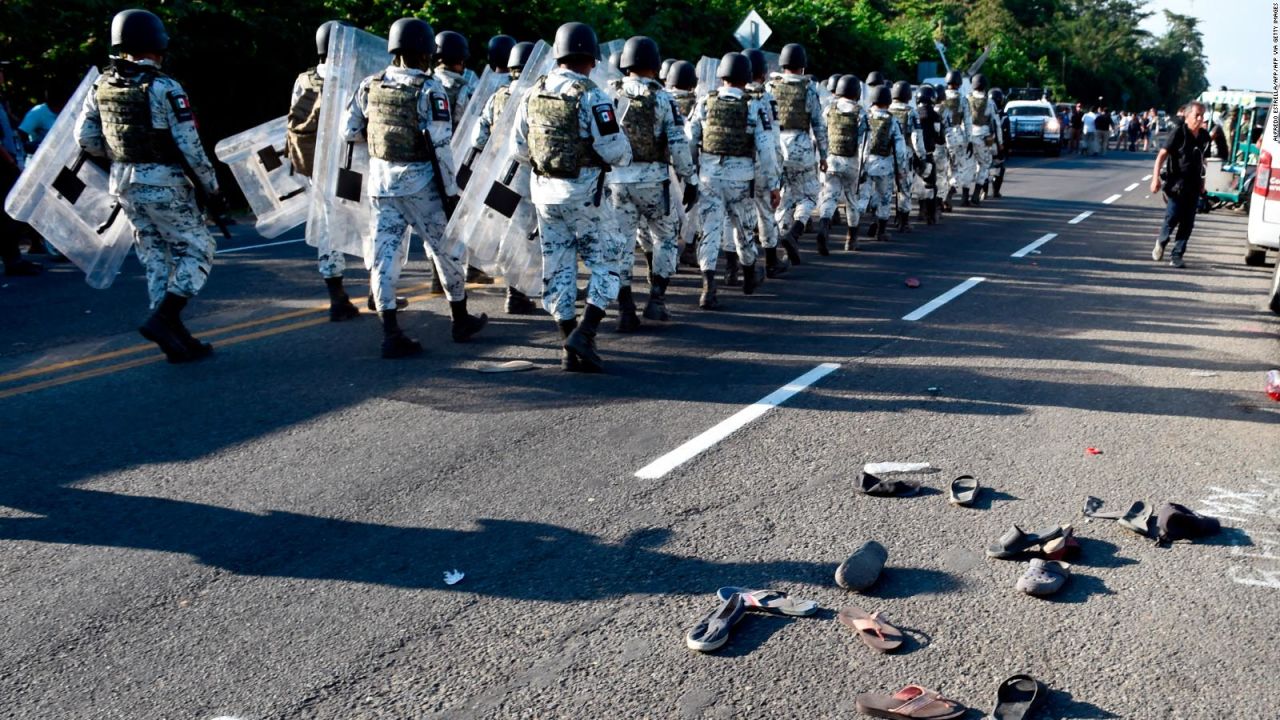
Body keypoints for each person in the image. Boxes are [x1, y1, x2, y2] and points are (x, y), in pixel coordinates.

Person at [76, 9, 227, 360]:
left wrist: (119, 155)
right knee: (199, 249)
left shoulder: (101, 85)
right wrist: (213, 190)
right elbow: (191, 147)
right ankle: (165, 317)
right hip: (164, 183)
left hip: (123, 184)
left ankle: (175, 340)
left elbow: (84, 138)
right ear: (157, 43)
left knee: (155, 256)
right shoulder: (164, 88)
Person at [342, 17, 487, 358]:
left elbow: (349, 131)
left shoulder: (369, 85)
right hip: (422, 183)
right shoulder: (429, 89)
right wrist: (452, 194)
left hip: (381, 184)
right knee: (446, 249)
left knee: (384, 256)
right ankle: (460, 319)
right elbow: (441, 147)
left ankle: (391, 332)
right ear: (425, 52)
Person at [512, 21, 631, 372]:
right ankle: (585, 332)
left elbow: (518, 148)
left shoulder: (533, 93)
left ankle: (568, 346)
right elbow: (613, 150)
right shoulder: (593, 95)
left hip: (544, 194)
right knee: (608, 262)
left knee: (559, 267)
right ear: (591, 58)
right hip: (584, 195)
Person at [608, 36, 697, 330]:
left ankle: (625, 307)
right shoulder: (662, 98)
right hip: (654, 182)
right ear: (655, 64)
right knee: (666, 238)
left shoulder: (610, 94)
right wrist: (690, 179)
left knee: (622, 244)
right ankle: (656, 301)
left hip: (618, 182)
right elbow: (677, 143)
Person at [687, 52, 779, 309]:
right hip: (741, 179)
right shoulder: (754, 105)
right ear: (747, 77)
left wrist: (691, 174)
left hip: (709, 177)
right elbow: (766, 149)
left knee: (710, 231)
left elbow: (690, 139)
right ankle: (749, 276)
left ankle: (708, 287)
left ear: (721, 75)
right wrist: (773, 184)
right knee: (744, 229)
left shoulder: (706, 101)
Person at [289, 20, 367, 322]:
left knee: (327, 228)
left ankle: (337, 295)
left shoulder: (304, 79)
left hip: (316, 167)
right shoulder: (353, 78)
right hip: (350, 166)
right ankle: (378, 291)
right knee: (367, 223)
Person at [469, 40, 539, 315]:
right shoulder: (537, 96)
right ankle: (516, 293)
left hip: (498, 175)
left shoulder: (497, 96)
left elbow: (478, 138)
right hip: (527, 176)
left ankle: (516, 288)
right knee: (522, 237)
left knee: (504, 231)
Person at [767, 43, 826, 265]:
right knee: (809, 194)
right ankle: (796, 231)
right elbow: (819, 125)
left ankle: (783, 235)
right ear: (803, 66)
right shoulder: (809, 89)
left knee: (781, 196)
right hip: (801, 145)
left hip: (776, 146)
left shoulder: (770, 88)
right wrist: (824, 156)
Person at [742, 48, 787, 275]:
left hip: (732, 167)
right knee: (766, 211)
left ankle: (732, 268)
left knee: (735, 219)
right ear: (762, 72)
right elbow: (772, 140)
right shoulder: (766, 99)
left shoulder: (724, 95)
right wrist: (775, 179)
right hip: (761, 164)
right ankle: (771, 260)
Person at [1150, 100, 1209, 268]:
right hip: (1176, 184)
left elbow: (1203, 162)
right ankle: (1161, 241)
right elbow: (1161, 155)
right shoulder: (1179, 133)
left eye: (1202, 115)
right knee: (1173, 216)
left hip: (1194, 185)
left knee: (1188, 222)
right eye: (1197, 115)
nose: (1200, 118)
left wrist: (1204, 182)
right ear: (1187, 116)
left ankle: (1177, 255)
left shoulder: (1204, 137)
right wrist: (1155, 179)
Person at [816, 75, 868, 251]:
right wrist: (864, 169)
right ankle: (851, 240)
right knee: (852, 201)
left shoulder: (829, 109)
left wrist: (821, 157)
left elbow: (820, 134)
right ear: (856, 92)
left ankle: (823, 226)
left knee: (829, 197)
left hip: (831, 160)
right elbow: (864, 144)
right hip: (852, 162)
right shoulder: (860, 113)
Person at [0, 60, 42, 276]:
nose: (2, 74)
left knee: (10, 213)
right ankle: (12, 259)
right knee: (9, 213)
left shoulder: (2, 101)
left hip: (10, 161)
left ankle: (13, 257)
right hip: (3, 166)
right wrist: (10, 163)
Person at [856, 85, 909, 242]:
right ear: (888, 101)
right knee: (884, 198)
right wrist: (901, 169)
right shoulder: (892, 120)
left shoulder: (864, 117)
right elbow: (900, 149)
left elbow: (857, 140)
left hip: (864, 164)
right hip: (884, 165)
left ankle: (853, 233)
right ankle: (881, 231)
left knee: (862, 198)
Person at [887, 80, 923, 230]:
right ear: (909, 95)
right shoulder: (911, 112)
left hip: (886, 154)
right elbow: (916, 137)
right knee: (904, 187)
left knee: (888, 187)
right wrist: (921, 155)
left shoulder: (886, 109)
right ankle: (904, 221)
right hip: (905, 153)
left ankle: (885, 219)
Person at [939, 70, 973, 208]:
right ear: (959, 83)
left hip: (941, 136)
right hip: (956, 136)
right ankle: (949, 194)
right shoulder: (963, 100)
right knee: (957, 168)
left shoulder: (940, 98)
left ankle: (940, 197)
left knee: (942, 169)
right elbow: (968, 122)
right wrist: (969, 140)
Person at [966, 73, 1000, 205]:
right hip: (983, 138)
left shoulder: (966, 99)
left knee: (967, 166)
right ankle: (976, 193)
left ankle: (962, 195)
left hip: (967, 137)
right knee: (984, 165)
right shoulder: (990, 102)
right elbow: (996, 123)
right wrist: (1000, 143)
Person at [434, 30, 473, 130]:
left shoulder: (428, 80)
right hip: (447, 142)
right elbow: (465, 126)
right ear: (459, 60)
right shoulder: (461, 88)